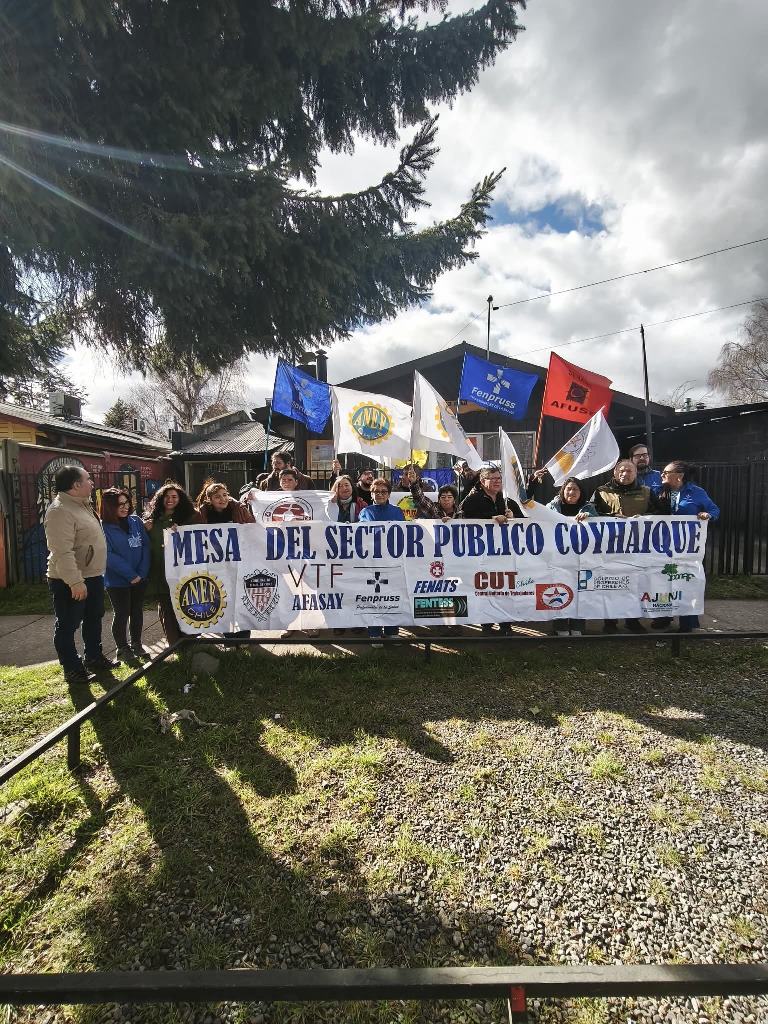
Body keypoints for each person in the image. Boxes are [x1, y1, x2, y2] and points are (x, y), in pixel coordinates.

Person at [44, 466, 118, 683]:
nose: (92, 482)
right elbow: (62, 551)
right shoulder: (59, 511)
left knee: (94, 618)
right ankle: (72, 668)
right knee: (68, 624)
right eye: (88, 479)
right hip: (69, 579)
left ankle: (93, 657)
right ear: (76, 485)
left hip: (92, 575)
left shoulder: (82, 505)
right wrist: (75, 581)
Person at [652, 461, 720, 633]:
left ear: (679, 476)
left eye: (666, 472)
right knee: (662, 581)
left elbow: (714, 510)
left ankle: (688, 621)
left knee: (686, 582)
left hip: (687, 547)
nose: (662, 475)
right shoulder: (658, 491)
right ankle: (663, 616)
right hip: (662, 546)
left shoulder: (697, 492)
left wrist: (707, 515)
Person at [592, 459, 659, 633]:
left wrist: (644, 518)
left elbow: (659, 513)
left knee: (635, 584)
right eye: (621, 470)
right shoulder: (601, 491)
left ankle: (632, 620)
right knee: (610, 585)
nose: (625, 474)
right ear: (614, 473)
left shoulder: (647, 492)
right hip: (609, 547)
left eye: (629, 471)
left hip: (637, 547)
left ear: (636, 474)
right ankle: (610, 622)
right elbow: (592, 512)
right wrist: (612, 517)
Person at [460, 465, 524, 635]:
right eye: (493, 478)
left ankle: (506, 624)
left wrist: (514, 517)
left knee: (506, 588)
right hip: (483, 555)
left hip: (506, 555)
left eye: (499, 478)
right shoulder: (473, 500)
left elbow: (524, 521)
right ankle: (486, 625)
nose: (497, 481)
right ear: (483, 481)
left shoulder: (507, 501)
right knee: (485, 589)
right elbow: (465, 519)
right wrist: (490, 518)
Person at [144, 482, 201, 645]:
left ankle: (190, 640)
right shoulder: (151, 520)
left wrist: (183, 530)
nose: (170, 499)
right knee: (166, 607)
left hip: (183, 572)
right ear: (160, 498)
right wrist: (145, 529)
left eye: (174, 496)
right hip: (160, 571)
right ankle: (175, 644)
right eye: (167, 496)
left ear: (180, 498)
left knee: (186, 603)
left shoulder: (189, 518)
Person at [101, 488, 152, 660]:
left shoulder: (135, 521)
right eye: (119, 505)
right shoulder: (103, 527)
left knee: (136, 611)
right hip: (117, 580)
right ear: (109, 507)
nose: (125, 507)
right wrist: (131, 575)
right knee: (122, 613)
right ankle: (122, 649)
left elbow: (146, 545)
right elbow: (108, 555)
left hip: (140, 577)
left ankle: (136, 644)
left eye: (126, 503)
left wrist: (141, 573)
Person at [546, 477, 597, 636]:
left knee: (581, 592)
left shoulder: (589, 508)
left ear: (581, 492)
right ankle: (560, 625)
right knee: (559, 591)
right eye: (568, 488)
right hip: (558, 559)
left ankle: (578, 626)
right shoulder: (552, 507)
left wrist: (590, 517)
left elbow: (601, 526)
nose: (572, 492)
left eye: (575, 489)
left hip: (583, 560)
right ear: (563, 490)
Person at [359, 478, 405, 645]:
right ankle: (374, 632)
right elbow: (361, 533)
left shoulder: (397, 511)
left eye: (383, 491)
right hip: (373, 561)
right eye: (376, 491)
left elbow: (404, 533)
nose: (380, 494)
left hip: (393, 561)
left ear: (389, 494)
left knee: (392, 595)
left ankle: (392, 631)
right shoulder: (365, 512)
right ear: (371, 494)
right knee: (374, 597)